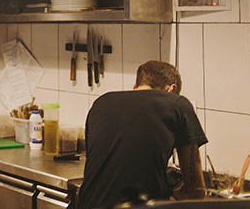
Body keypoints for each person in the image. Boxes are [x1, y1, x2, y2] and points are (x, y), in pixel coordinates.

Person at [77, 60, 207, 209]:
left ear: (135, 87)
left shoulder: (101, 102)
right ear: (171, 89)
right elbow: (196, 190)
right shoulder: (178, 104)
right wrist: (173, 195)